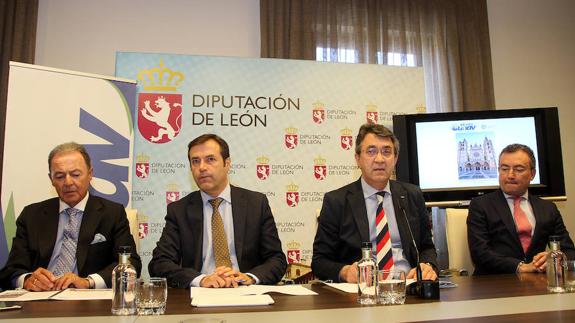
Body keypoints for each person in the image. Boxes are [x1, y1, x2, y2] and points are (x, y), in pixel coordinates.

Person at [148, 134, 287, 288]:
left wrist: (249, 277)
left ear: (227, 164)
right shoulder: (179, 210)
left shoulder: (256, 204)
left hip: (246, 293)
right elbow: (159, 264)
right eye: (195, 161)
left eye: (210, 159)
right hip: (200, 295)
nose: (201, 167)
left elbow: (276, 260)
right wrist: (201, 280)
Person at [0, 142, 141, 291]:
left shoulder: (112, 213)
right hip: (39, 300)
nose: (68, 182)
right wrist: (28, 279)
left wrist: (88, 282)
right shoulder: (31, 215)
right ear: (51, 179)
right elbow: (12, 270)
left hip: (88, 302)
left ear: (90, 174)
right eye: (60, 176)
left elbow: (130, 263)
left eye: (75, 174)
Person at [312, 124, 438, 283]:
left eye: (387, 152)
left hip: (408, 287)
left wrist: (427, 265)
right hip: (362, 293)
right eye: (371, 151)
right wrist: (345, 272)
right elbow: (319, 261)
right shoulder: (336, 201)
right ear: (357, 159)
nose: (379, 159)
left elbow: (427, 247)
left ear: (396, 158)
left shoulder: (412, 195)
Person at [467, 144, 575, 275]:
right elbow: (480, 253)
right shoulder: (480, 205)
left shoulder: (548, 208)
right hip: (494, 283)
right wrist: (520, 267)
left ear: (532, 174)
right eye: (504, 169)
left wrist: (555, 259)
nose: (510, 175)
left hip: (538, 283)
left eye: (518, 169)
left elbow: (569, 251)